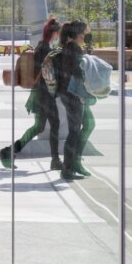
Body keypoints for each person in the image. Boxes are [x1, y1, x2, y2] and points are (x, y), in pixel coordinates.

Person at [0, 17, 62, 171]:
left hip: (40, 94)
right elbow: (48, 74)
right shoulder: (46, 50)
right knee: (52, 125)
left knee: (39, 127)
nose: (59, 37)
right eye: (58, 34)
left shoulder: (42, 46)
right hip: (45, 95)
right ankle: (55, 160)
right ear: (54, 33)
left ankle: (8, 152)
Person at [49, 20, 93, 181]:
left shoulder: (66, 47)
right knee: (74, 132)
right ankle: (68, 168)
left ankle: (71, 165)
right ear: (78, 35)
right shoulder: (74, 49)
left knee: (75, 130)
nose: (85, 37)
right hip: (73, 94)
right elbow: (77, 72)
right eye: (84, 34)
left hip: (65, 93)